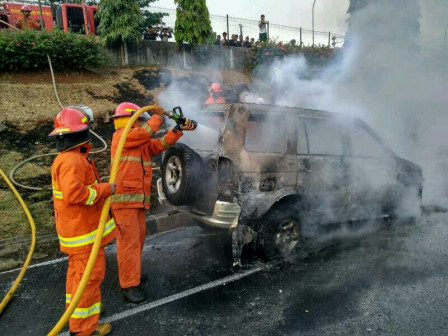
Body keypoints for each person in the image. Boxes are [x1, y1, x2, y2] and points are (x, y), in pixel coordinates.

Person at [110, 103, 195, 303]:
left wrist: (177, 130)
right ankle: (129, 286)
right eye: (139, 119)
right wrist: (157, 116)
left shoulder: (137, 140)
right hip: (124, 204)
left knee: (137, 242)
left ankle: (134, 275)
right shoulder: (121, 137)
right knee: (128, 245)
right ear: (131, 119)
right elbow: (146, 132)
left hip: (136, 202)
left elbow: (158, 145)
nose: (141, 123)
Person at [49, 107, 117, 336]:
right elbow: (75, 194)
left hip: (77, 232)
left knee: (78, 278)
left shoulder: (70, 158)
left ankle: (80, 311)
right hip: (83, 234)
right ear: (80, 133)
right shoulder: (72, 161)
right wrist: (105, 189)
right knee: (89, 279)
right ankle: (84, 328)